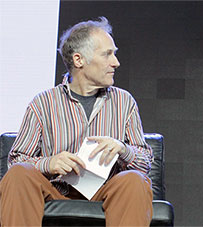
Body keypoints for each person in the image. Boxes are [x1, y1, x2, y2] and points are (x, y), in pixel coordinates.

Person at [0, 17, 153, 226]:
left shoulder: (124, 102)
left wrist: (122, 149)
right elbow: (15, 161)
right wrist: (49, 162)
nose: (116, 62)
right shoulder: (43, 103)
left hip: (108, 192)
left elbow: (144, 164)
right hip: (55, 189)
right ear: (79, 60)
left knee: (135, 180)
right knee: (19, 175)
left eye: (114, 54)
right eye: (107, 54)